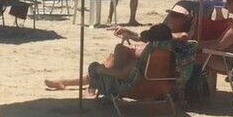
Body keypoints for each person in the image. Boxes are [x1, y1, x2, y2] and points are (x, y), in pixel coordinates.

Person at [44, 23, 175, 92]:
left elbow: (121, 75)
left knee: (101, 66)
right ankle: (66, 82)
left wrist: (102, 70)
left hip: (134, 87)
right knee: (116, 55)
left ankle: (71, 83)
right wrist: (131, 35)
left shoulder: (146, 58)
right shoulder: (166, 50)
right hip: (158, 86)